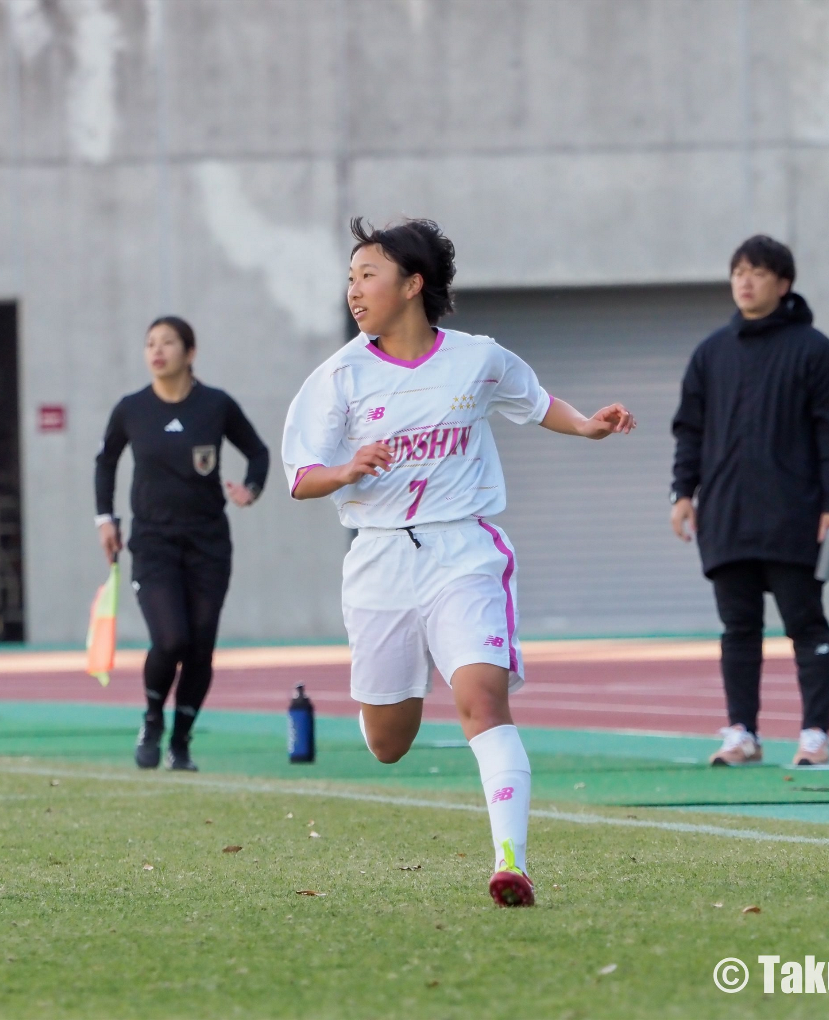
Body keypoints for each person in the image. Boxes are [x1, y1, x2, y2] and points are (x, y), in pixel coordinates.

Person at [283, 218, 635, 906]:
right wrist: (346, 469)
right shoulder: (339, 376)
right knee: (389, 741)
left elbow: (536, 404)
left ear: (413, 284)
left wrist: (588, 424)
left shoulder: (479, 358)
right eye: (351, 278)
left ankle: (512, 861)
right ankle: (385, 701)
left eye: (368, 275)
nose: (354, 290)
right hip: (380, 558)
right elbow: (300, 478)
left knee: (481, 698)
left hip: (463, 552)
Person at [670, 235, 829, 767]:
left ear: (783, 282)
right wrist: (683, 492)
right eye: (737, 272)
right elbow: (689, 431)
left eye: (757, 272)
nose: (744, 282)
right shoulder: (711, 353)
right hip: (726, 516)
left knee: (806, 624)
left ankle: (815, 734)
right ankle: (741, 733)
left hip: (794, 514)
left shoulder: (815, 351)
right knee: (738, 628)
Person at [95, 316, 269, 771]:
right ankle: (153, 717)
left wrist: (250, 488)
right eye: (150, 342)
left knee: (200, 647)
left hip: (208, 543)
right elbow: (106, 460)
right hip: (153, 543)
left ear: (189, 353)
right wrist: (105, 519)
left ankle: (182, 742)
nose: (157, 350)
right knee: (171, 639)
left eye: (168, 342)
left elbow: (258, 451)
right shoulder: (131, 409)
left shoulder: (215, 405)